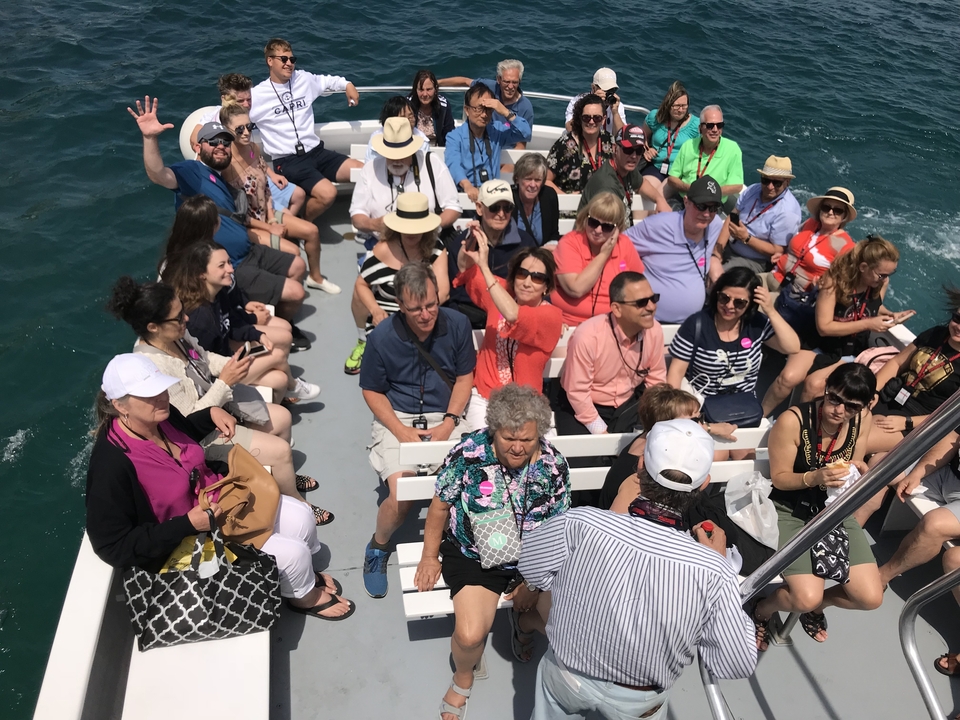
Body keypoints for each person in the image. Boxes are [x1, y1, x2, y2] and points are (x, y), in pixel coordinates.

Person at [85, 354, 354, 620]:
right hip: (187, 538)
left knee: (302, 516)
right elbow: (112, 546)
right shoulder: (111, 465)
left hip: (222, 503)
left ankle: (301, 578)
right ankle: (303, 597)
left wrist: (209, 414)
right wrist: (187, 525)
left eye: (161, 388)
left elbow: (185, 437)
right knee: (292, 554)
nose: (161, 397)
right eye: (148, 394)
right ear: (120, 406)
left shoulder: (162, 417)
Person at [519, 419, 757, 720]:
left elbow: (530, 565)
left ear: (641, 466)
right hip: (640, 700)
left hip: (568, 675)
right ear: (705, 484)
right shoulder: (715, 570)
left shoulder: (578, 524)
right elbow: (736, 662)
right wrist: (717, 561)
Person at [106, 277, 334, 524]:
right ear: (153, 327)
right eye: (178, 317)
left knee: (283, 418)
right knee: (279, 451)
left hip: (217, 406)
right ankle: (301, 506)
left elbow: (203, 357)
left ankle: (284, 476)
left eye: (182, 311)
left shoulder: (176, 336)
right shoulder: (154, 365)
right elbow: (189, 422)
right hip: (199, 436)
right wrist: (225, 382)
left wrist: (232, 364)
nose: (186, 319)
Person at [414, 384, 571, 720]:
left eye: (526, 440)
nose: (517, 448)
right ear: (494, 431)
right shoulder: (468, 453)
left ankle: (524, 624)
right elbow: (440, 506)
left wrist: (534, 582)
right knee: (470, 635)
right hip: (474, 556)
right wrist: (430, 555)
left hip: (534, 558)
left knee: (566, 627)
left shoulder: (554, 465)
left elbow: (561, 530)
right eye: (508, 439)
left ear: (539, 434)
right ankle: (463, 676)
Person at [126, 97, 307, 322]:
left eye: (224, 141)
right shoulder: (192, 171)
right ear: (197, 147)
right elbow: (159, 175)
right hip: (231, 265)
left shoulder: (222, 176)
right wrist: (150, 138)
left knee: (299, 264)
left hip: (249, 250)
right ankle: (279, 324)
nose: (220, 145)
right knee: (297, 292)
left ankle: (275, 316)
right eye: (212, 141)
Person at [359, 263, 475, 599]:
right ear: (400, 304)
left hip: (446, 415)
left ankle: (461, 547)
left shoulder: (457, 324)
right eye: (415, 309)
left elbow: (465, 377)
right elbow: (371, 390)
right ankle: (378, 546)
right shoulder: (380, 338)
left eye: (431, 305)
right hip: (398, 417)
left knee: (470, 484)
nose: (425, 315)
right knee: (402, 496)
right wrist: (399, 431)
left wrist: (451, 421)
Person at [752, 364, 882, 650]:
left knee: (869, 597)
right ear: (826, 389)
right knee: (804, 596)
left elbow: (852, 467)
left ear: (864, 406)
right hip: (789, 509)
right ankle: (763, 610)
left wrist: (858, 470)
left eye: (851, 406)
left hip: (834, 511)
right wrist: (814, 477)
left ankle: (817, 606)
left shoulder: (862, 420)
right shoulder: (793, 420)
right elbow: (780, 479)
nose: (839, 410)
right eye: (834, 398)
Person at [763, 234, 914, 412]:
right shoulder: (834, 283)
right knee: (787, 378)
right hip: (820, 342)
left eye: (889, 274)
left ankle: (798, 426)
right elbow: (824, 327)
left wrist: (891, 314)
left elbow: (870, 306)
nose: (885, 279)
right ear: (863, 267)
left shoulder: (880, 283)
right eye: (881, 274)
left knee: (814, 385)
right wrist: (868, 324)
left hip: (849, 350)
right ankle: (760, 416)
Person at [163, 241, 322, 405]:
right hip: (220, 374)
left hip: (227, 355)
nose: (230, 270)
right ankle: (294, 386)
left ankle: (284, 393)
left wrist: (257, 335)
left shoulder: (218, 293)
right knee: (278, 356)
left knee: (280, 379)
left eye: (229, 263)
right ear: (202, 274)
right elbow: (204, 366)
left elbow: (230, 322)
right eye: (221, 266)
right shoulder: (200, 320)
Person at [218, 102, 340, 294]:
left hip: (266, 214)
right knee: (293, 251)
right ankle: (284, 293)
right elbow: (235, 213)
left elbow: (264, 187)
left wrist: (272, 216)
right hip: (248, 225)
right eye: (239, 129)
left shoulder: (252, 149)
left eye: (249, 126)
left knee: (312, 231)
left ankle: (315, 278)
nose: (246, 132)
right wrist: (269, 227)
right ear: (226, 130)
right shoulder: (225, 165)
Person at [667, 268, 801, 431]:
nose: (729, 306)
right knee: (719, 453)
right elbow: (675, 374)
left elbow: (792, 347)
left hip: (744, 408)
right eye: (724, 298)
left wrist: (770, 311)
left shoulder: (756, 324)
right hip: (703, 408)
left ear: (750, 303)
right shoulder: (697, 325)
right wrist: (685, 418)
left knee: (746, 453)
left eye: (739, 303)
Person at [456, 230, 563, 430]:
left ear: (547, 287)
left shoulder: (553, 316)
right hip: (485, 399)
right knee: (485, 453)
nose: (527, 282)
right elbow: (466, 268)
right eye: (522, 274)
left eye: (537, 277)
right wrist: (470, 243)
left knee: (539, 459)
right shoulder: (500, 293)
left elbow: (513, 315)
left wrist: (485, 268)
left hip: (528, 406)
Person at [249, 38, 363, 221]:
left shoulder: (303, 79)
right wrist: (202, 124)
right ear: (270, 61)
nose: (289, 64)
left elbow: (328, 81)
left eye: (292, 60)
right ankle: (302, 223)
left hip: (317, 152)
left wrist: (348, 85)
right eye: (283, 59)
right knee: (328, 193)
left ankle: (362, 217)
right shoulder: (257, 95)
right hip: (288, 161)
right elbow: (228, 113)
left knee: (363, 171)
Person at [344, 193, 450, 375]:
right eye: (407, 227)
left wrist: (419, 315)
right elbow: (362, 284)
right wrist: (376, 311)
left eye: (417, 227)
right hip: (387, 317)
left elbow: (444, 292)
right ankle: (363, 341)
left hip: (426, 315)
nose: (411, 232)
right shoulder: (382, 250)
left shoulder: (436, 249)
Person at [554, 271, 667, 437]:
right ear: (617, 309)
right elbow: (577, 392)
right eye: (641, 302)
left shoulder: (654, 330)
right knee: (587, 460)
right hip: (580, 407)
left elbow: (656, 380)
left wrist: (655, 419)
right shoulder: (588, 336)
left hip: (629, 404)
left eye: (653, 298)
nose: (651, 307)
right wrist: (601, 432)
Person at [867, 286, 960, 455]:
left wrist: (907, 422)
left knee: (857, 437)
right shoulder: (937, 334)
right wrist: (872, 391)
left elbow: (949, 417)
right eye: (958, 319)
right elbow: (897, 363)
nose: (959, 327)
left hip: (916, 421)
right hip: (890, 395)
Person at [625, 175, 725, 323]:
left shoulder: (714, 224)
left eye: (713, 208)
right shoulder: (657, 226)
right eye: (701, 206)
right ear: (686, 202)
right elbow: (619, 245)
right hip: (652, 322)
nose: (706, 214)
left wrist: (715, 258)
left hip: (694, 322)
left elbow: (732, 219)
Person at [349, 117, 461, 245]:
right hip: (384, 243)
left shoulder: (432, 163)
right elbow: (357, 214)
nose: (397, 160)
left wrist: (429, 229)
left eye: (402, 154)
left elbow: (453, 207)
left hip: (426, 243)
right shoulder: (369, 169)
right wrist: (375, 224)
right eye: (391, 155)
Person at [876, 430, 960, 595]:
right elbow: (952, 437)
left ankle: (881, 578)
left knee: (934, 525)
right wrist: (917, 473)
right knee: (881, 466)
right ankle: (844, 536)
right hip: (950, 474)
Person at [445, 180, 538, 328]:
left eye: (507, 208)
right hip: (469, 320)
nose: (501, 214)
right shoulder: (462, 243)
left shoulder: (525, 243)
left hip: (512, 318)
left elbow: (537, 285)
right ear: (479, 208)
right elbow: (455, 294)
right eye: (494, 207)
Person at [768, 187, 857, 338]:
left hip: (793, 295)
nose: (830, 212)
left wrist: (822, 287)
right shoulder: (810, 224)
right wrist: (781, 254)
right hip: (774, 274)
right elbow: (796, 248)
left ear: (844, 217)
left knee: (750, 302)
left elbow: (846, 285)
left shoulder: (846, 246)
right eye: (826, 207)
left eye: (837, 210)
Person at [551, 192, 644, 327]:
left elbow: (639, 288)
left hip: (615, 326)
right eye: (593, 222)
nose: (598, 230)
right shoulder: (569, 243)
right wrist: (604, 254)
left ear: (617, 228)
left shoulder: (625, 244)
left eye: (607, 227)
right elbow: (576, 289)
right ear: (585, 218)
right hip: (572, 325)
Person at [444, 84, 532, 202]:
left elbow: (525, 133)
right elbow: (453, 163)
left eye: (488, 109)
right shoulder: (454, 137)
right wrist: (467, 185)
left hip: (493, 197)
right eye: (479, 109)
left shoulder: (497, 131)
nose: (484, 114)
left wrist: (505, 112)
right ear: (467, 110)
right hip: (466, 196)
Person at [717, 156, 802, 273]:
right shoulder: (753, 190)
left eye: (777, 183)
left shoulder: (788, 212)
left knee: (718, 275)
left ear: (787, 182)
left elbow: (777, 250)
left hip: (754, 260)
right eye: (766, 180)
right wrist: (717, 252)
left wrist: (746, 238)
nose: (770, 187)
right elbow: (732, 216)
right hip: (731, 244)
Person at [639, 81, 700, 214]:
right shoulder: (655, 117)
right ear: (668, 104)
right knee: (643, 195)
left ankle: (651, 226)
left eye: (684, 106)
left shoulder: (696, 125)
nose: (680, 109)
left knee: (657, 198)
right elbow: (642, 138)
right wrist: (646, 150)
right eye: (677, 106)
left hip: (677, 173)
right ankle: (636, 230)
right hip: (656, 166)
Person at [666, 105, 743, 204]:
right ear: (700, 128)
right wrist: (689, 188)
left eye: (719, 125)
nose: (715, 129)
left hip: (712, 205)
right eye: (710, 125)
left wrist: (708, 193)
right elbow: (672, 178)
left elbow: (737, 185)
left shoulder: (733, 149)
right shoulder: (688, 145)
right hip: (685, 199)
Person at [439, 59, 535, 134]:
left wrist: (505, 112)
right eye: (506, 81)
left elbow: (522, 140)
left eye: (515, 82)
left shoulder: (526, 107)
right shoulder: (489, 87)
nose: (510, 86)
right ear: (498, 79)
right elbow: (465, 81)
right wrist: (436, 83)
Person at [578, 125, 647, 226]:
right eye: (628, 150)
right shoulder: (606, 184)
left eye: (639, 151)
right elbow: (605, 230)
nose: (633, 156)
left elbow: (642, 183)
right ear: (615, 148)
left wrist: (660, 200)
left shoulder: (627, 167)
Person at [546, 93, 614, 194]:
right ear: (579, 117)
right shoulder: (563, 145)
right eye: (586, 117)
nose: (591, 122)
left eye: (597, 118)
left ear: (603, 120)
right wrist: (567, 199)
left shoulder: (610, 142)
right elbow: (546, 180)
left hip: (602, 205)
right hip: (570, 207)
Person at [512, 153, 560, 246]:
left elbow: (553, 235)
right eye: (528, 179)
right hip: (513, 257)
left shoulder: (549, 196)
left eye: (537, 180)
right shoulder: (509, 197)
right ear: (517, 178)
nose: (533, 185)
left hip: (541, 256)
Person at [364, 95, 429, 162]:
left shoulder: (422, 141)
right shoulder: (375, 140)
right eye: (403, 118)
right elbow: (369, 164)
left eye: (411, 116)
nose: (408, 121)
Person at [564, 67, 627, 136]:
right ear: (593, 88)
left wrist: (615, 113)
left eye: (612, 90)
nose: (608, 94)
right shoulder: (577, 101)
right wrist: (589, 102)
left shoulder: (617, 106)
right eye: (605, 90)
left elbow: (622, 136)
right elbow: (569, 128)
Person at [409, 69, 456, 147]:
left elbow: (449, 133)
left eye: (429, 89)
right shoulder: (407, 106)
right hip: (413, 147)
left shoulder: (443, 106)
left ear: (435, 89)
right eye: (421, 89)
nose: (425, 94)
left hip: (437, 147)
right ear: (415, 90)